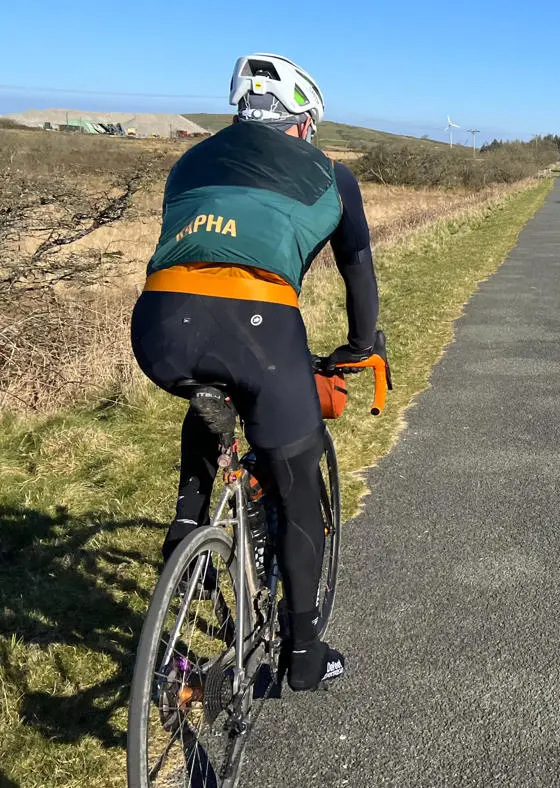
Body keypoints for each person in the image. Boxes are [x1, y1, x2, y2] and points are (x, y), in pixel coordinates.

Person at [131, 53, 378, 691]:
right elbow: (357, 272)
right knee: (298, 490)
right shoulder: (332, 174)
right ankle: (302, 654)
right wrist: (359, 346)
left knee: (209, 393)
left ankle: (187, 527)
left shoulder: (189, 160)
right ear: (301, 123)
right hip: (261, 331)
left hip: (160, 325)